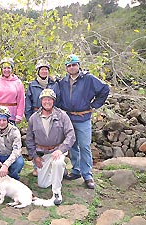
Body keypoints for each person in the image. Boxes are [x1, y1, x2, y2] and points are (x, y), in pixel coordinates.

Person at [59, 54, 110, 189]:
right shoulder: (63, 81)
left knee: (85, 146)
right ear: (66, 68)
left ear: (79, 65)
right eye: (69, 65)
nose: (71, 67)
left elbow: (105, 89)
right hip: (69, 118)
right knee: (73, 145)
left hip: (83, 118)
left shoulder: (88, 79)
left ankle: (87, 175)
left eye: (74, 64)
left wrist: (94, 105)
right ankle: (76, 170)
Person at [26, 89, 75, 205]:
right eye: (44, 99)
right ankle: (58, 173)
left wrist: (61, 150)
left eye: (49, 99)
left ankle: (57, 192)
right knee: (42, 184)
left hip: (57, 151)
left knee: (57, 162)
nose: (47, 102)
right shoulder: (34, 118)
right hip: (43, 153)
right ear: (41, 101)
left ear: (53, 101)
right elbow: (29, 140)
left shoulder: (62, 115)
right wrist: (34, 157)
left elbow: (71, 135)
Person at [25, 59, 60, 176]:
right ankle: (37, 166)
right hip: (36, 115)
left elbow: (58, 99)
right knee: (36, 141)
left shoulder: (54, 84)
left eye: (46, 69)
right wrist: (29, 117)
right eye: (42, 69)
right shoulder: (32, 85)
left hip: (52, 114)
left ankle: (53, 165)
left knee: (53, 140)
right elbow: (28, 102)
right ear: (38, 71)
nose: (44, 71)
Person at [0, 57, 25, 125]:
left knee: (11, 134)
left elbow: (21, 100)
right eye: (4, 68)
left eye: (9, 68)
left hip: (11, 116)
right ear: (1, 69)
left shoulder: (17, 83)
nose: (6, 70)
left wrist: (19, 115)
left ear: (12, 69)